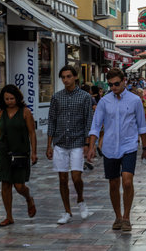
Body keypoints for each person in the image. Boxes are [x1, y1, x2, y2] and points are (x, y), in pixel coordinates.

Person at [87, 68, 146, 231]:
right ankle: (117, 216)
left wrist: (145, 148)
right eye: (110, 84)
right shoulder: (104, 101)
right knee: (114, 183)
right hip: (109, 147)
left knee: (127, 181)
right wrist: (91, 146)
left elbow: (141, 126)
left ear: (124, 81)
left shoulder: (135, 100)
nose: (114, 87)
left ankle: (126, 217)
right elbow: (95, 125)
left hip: (129, 145)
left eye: (116, 83)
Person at [47, 65, 93, 224]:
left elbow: (89, 121)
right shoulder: (56, 97)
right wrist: (49, 145)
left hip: (78, 141)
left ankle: (80, 199)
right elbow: (52, 120)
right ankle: (67, 211)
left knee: (76, 177)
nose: (66, 80)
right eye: (63, 77)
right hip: (60, 142)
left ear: (75, 77)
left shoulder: (85, 97)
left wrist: (88, 143)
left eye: (68, 76)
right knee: (62, 178)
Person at [0, 85, 37, 227]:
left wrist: (34, 152)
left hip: (20, 153)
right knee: (5, 184)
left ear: (17, 98)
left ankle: (28, 198)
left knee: (19, 186)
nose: (9, 101)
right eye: (6, 99)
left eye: (12, 98)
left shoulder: (25, 112)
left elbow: (32, 133)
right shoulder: (1, 113)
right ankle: (9, 216)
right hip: (4, 153)